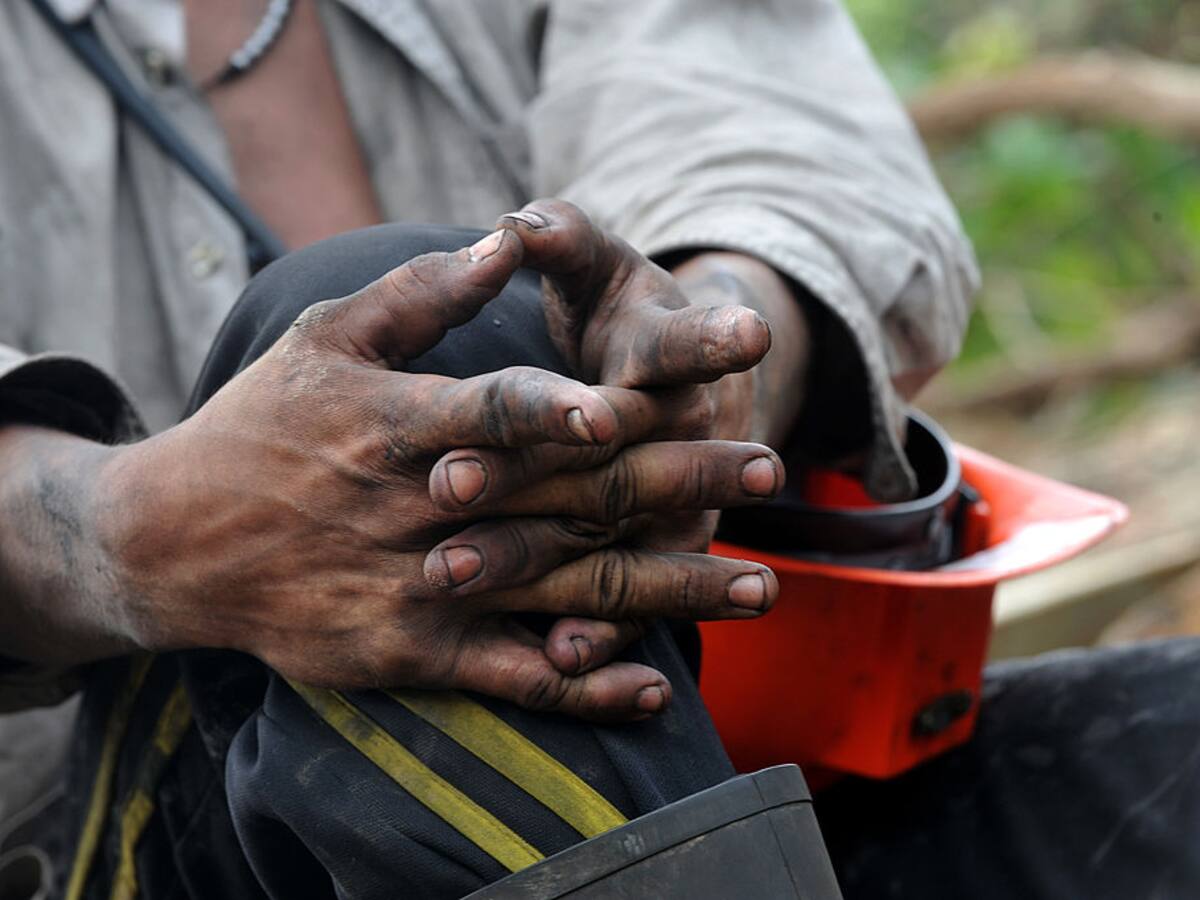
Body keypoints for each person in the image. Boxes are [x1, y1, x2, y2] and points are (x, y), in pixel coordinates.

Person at [0, 0, 978, 897]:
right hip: (96, 835)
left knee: (1126, 755)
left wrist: (700, 356)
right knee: (425, 338)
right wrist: (143, 533)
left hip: (710, 745)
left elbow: (780, 153)